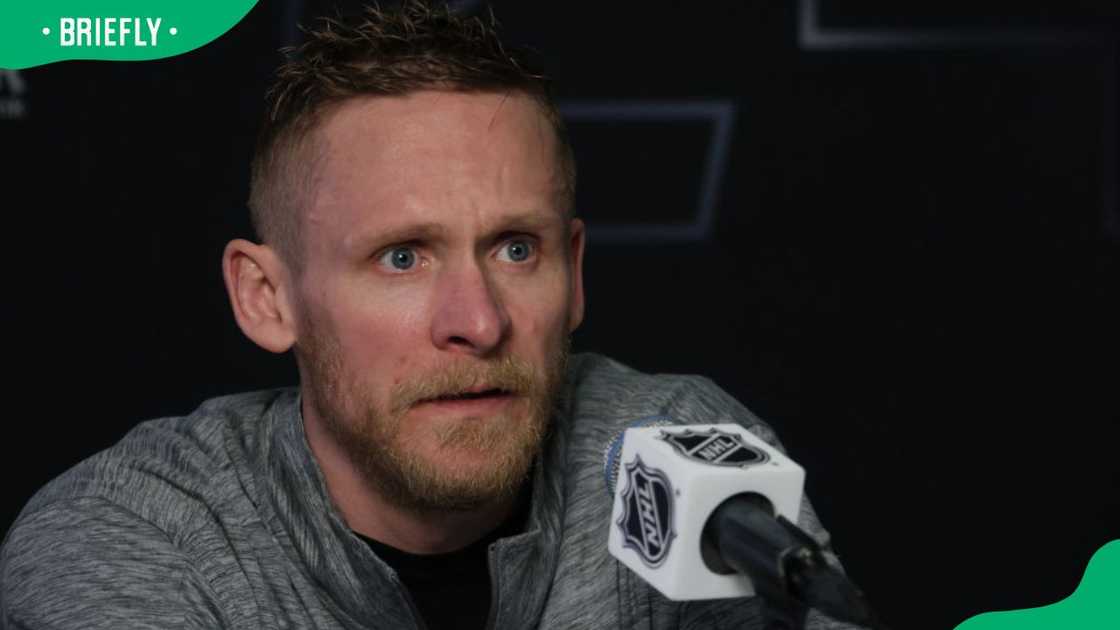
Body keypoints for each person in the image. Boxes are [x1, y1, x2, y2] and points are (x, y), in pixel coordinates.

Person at [0, 3, 865, 628]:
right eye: (402, 257)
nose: (477, 322)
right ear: (267, 299)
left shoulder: (682, 451)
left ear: (574, 272)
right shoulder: (130, 538)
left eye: (515, 250)